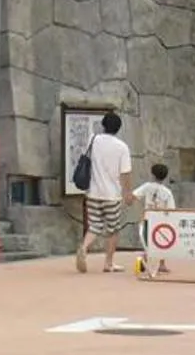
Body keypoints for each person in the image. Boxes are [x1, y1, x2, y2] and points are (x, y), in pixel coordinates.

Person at [74, 111, 133, 274]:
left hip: (93, 192)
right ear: (118, 128)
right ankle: (109, 263)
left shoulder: (93, 140)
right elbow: (125, 173)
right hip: (112, 195)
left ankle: (84, 248)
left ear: (103, 125)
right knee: (113, 229)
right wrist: (127, 193)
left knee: (94, 225)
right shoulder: (122, 147)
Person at [132, 161, 177, 279]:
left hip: (148, 218)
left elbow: (134, 195)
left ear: (152, 175)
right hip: (161, 221)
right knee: (162, 243)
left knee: (148, 242)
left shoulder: (147, 186)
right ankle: (161, 264)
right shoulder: (167, 192)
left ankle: (144, 260)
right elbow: (171, 209)